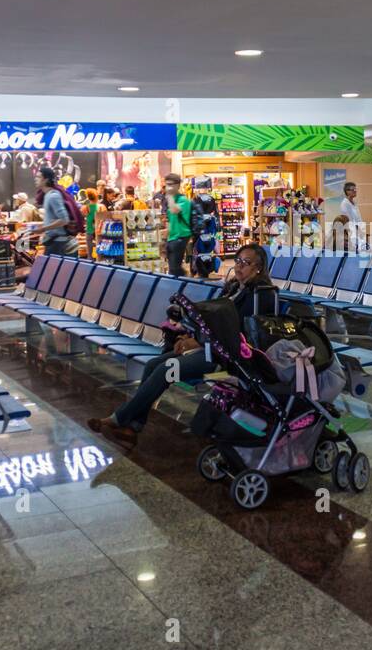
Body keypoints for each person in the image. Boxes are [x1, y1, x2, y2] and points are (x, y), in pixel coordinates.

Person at [87, 243, 275, 448]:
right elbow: (210, 321)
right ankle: (132, 427)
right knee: (153, 366)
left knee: (165, 371)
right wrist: (188, 338)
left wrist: (195, 341)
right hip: (206, 348)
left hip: (225, 357)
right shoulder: (233, 288)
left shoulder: (259, 295)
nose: (239, 266)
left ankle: (118, 419)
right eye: (237, 261)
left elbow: (240, 334)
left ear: (258, 267)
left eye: (246, 263)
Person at [35, 166, 79, 256]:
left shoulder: (53, 196)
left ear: (46, 180)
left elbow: (64, 220)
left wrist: (44, 228)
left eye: (39, 177)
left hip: (59, 244)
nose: (36, 179)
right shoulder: (47, 195)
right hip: (54, 242)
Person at [162, 172, 192, 276]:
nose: (168, 187)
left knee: (174, 268)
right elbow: (170, 221)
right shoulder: (172, 200)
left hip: (181, 236)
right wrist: (165, 239)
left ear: (178, 185)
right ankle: (183, 279)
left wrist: (169, 196)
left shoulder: (183, 200)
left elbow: (175, 210)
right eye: (167, 184)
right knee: (173, 267)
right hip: (172, 237)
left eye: (171, 184)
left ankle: (184, 282)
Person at [340, 181, 366, 250]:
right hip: (351, 232)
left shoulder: (354, 202)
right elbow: (348, 221)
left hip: (358, 231)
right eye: (353, 189)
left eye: (355, 189)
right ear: (347, 191)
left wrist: (361, 229)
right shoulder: (344, 204)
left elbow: (358, 218)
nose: (355, 191)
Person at [84, 189, 101, 258]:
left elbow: (85, 218)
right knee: (99, 246)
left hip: (89, 229)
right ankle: (99, 259)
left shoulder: (86, 207)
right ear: (96, 196)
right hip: (98, 229)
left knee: (89, 249)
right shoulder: (100, 207)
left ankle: (90, 262)